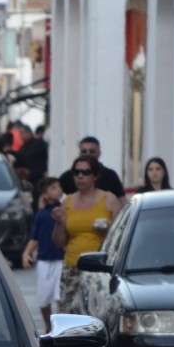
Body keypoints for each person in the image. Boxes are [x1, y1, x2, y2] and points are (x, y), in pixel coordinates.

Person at [52, 155, 121, 315]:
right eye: (76, 172)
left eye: (85, 172)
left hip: (99, 269)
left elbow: (121, 237)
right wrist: (60, 222)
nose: (80, 176)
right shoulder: (67, 202)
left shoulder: (109, 199)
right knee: (69, 317)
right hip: (72, 267)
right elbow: (59, 242)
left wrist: (108, 230)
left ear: (95, 175)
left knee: (97, 316)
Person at [23, 177, 65, 332]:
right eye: (53, 188)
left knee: (60, 296)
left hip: (61, 259)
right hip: (44, 260)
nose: (58, 190)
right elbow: (35, 237)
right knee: (43, 298)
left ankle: (59, 325)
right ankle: (48, 323)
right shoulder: (41, 215)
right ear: (45, 195)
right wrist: (27, 253)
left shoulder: (65, 211)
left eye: (59, 187)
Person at [58, 136, 126, 199]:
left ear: (99, 153)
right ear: (79, 153)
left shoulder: (110, 175)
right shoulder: (68, 176)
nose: (87, 154)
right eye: (84, 151)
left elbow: (122, 200)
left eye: (91, 151)